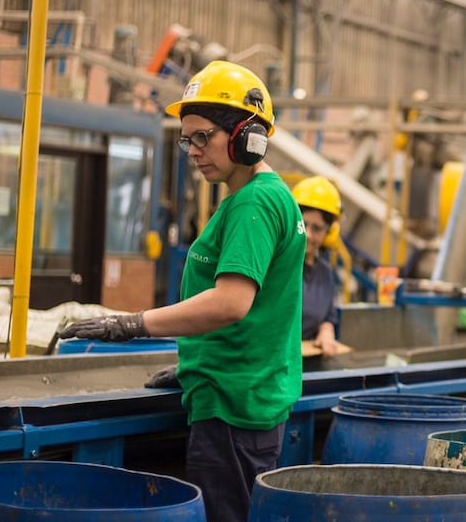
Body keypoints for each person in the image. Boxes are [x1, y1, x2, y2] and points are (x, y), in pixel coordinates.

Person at [60, 60, 306, 522]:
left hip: (232, 408)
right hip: (238, 391)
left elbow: (232, 303)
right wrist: (196, 363)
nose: (192, 150)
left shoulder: (254, 202)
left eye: (202, 137)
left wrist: (132, 324)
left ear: (245, 137)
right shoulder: (260, 197)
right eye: (186, 138)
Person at [291, 175, 344, 356]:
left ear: (330, 232)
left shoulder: (326, 273)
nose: (309, 235)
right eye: (303, 224)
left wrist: (326, 332)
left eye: (317, 228)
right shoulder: (276, 267)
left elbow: (328, 317)